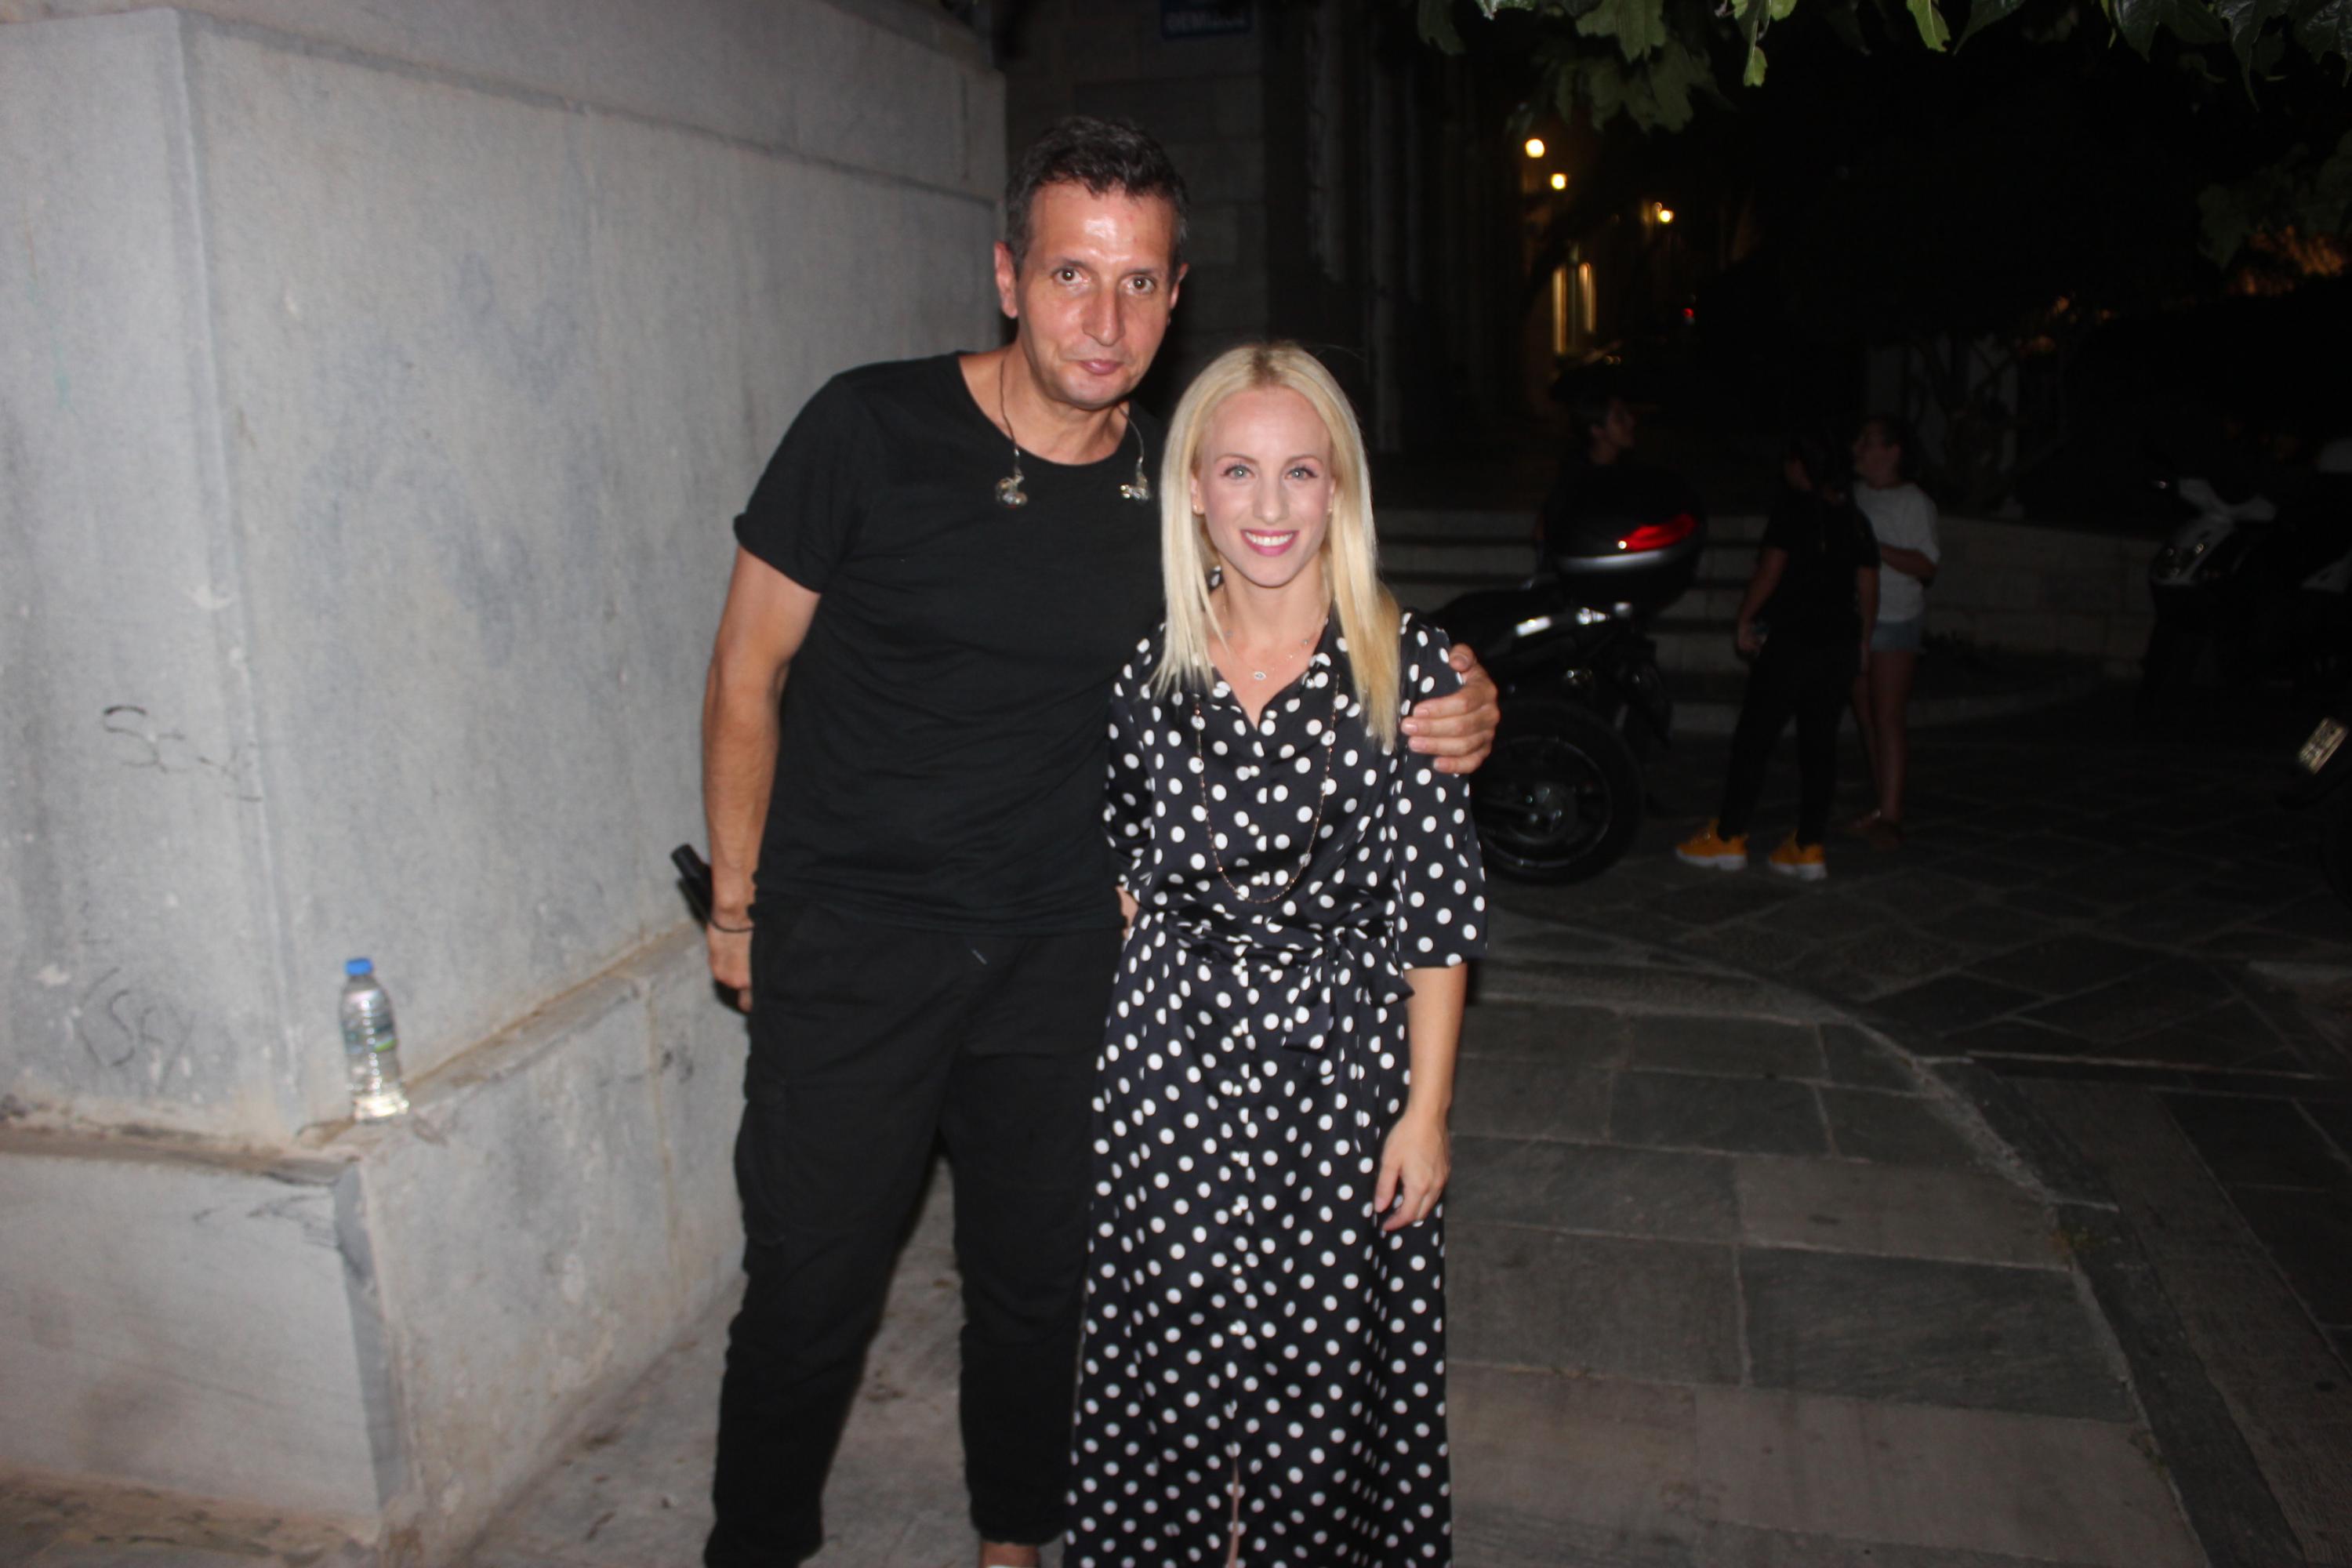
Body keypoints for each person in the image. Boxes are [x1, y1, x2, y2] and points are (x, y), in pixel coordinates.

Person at [696, 118, 1498, 1568]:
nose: (1104, 318)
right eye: (1072, 274)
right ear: (1010, 275)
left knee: (1035, 1291)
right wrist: (738, 908)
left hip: (1071, 962)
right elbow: (746, 670)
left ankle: (1016, 1548)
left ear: (1176, 296)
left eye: (1138, 283)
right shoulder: (866, 429)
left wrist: (1458, 697)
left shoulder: (1177, 494)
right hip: (857, 945)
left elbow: (1309, 602)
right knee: (810, 1290)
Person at [1067, 343, 1486, 1567]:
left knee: (1324, 1374)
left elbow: (1435, 917)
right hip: (1171, 1067)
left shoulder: (1406, 667)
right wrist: (1129, 1056)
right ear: (1194, 488)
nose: (1269, 504)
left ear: (1339, 488)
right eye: (1239, 470)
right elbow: (1126, 876)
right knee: (1173, 1356)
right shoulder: (1151, 670)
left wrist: (1426, 1115)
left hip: (1341, 1071)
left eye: (1300, 471)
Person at [1676, 433, 1881, 879]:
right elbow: (1868, 587)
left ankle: (1729, 835)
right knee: (1820, 744)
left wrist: (1744, 619)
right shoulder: (1855, 519)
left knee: (1755, 739)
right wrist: (1863, 643)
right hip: (1837, 645)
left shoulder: (1794, 511)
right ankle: (1808, 845)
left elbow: (1771, 570)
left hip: (1793, 643)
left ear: (1802, 467)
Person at [1846, 415, 1940, 848]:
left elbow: (1926, 565)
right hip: (1856, 617)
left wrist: (1874, 548)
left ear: (1892, 452)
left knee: (1887, 717)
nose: (1858, 448)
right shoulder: (1857, 494)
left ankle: (1892, 817)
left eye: (1868, 441)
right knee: (1866, 715)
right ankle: (1881, 805)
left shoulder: (1913, 502)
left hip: (1895, 617)